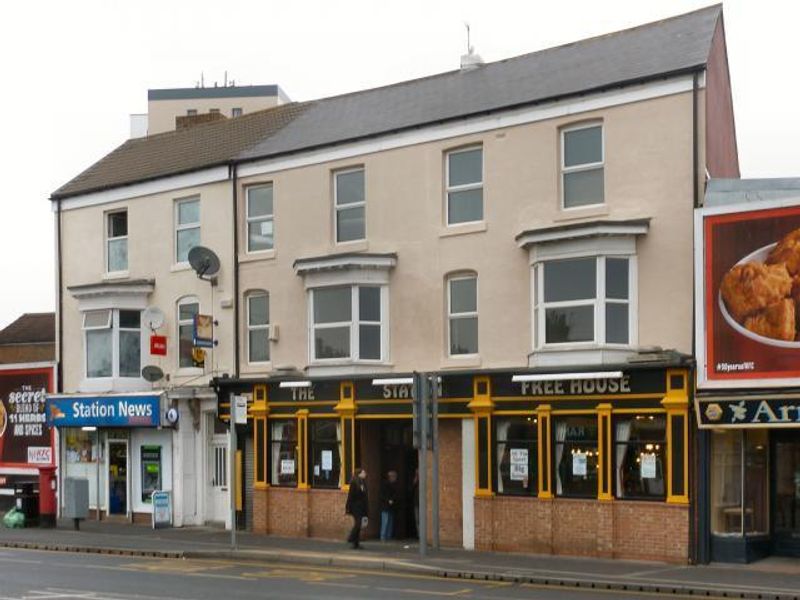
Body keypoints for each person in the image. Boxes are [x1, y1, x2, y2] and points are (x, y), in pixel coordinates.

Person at [345, 468, 368, 549]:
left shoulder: (363, 483)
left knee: (359, 524)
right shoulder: (354, 483)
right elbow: (350, 496)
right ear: (359, 474)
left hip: (361, 507)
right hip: (355, 506)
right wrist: (348, 507)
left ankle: (356, 543)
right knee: (358, 523)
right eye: (363, 472)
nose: (365, 474)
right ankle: (351, 538)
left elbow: (365, 496)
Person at [379, 470, 398, 541]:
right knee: (385, 522)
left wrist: (392, 500)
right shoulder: (385, 485)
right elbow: (382, 495)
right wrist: (388, 500)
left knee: (390, 522)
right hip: (385, 506)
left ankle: (388, 536)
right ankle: (383, 537)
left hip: (391, 506)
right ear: (390, 477)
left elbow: (395, 494)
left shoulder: (394, 484)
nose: (395, 478)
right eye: (394, 477)